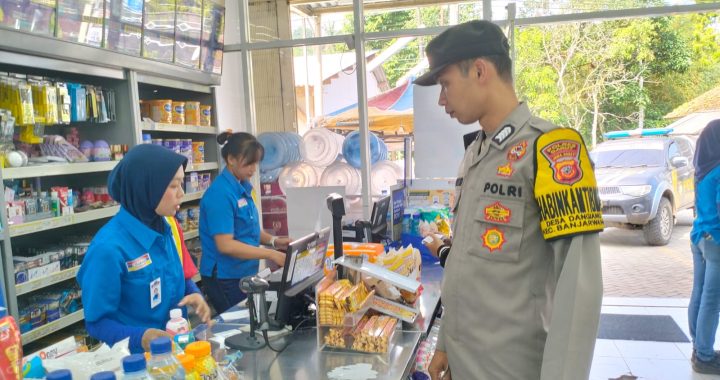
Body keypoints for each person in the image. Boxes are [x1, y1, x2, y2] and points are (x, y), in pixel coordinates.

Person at [414, 20, 604, 380]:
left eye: (445, 84)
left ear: (480, 70)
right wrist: (445, 345)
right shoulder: (476, 155)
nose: (441, 99)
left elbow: (579, 288)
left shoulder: (551, 151)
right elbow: (466, 264)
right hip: (466, 363)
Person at [78, 144, 211, 354]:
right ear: (146, 187)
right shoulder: (108, 250)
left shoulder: (165, 227)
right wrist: (141, 337)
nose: (182, 194)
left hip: (175, 353)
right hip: (135, 364)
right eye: (173, 186)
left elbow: (170, 276)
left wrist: (193, 292)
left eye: (182, 184)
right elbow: (97, 323)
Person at [199, 131, 289, 314]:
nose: (253, 169)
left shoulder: (243, 187)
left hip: (244, 271)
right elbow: (226, 245)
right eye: (249, 163)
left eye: (256, 163)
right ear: (231, 159)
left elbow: (249, 229)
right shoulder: (220, 194)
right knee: (237, 323)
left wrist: (275, 242)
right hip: (225, 276)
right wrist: (270, 255)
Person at [688, 119, 720, 375]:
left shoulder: (702, 169)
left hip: (698, 236)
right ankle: (705, 356)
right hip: (716, 241)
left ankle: (698, 348)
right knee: (712, 300)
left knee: (699, 293)